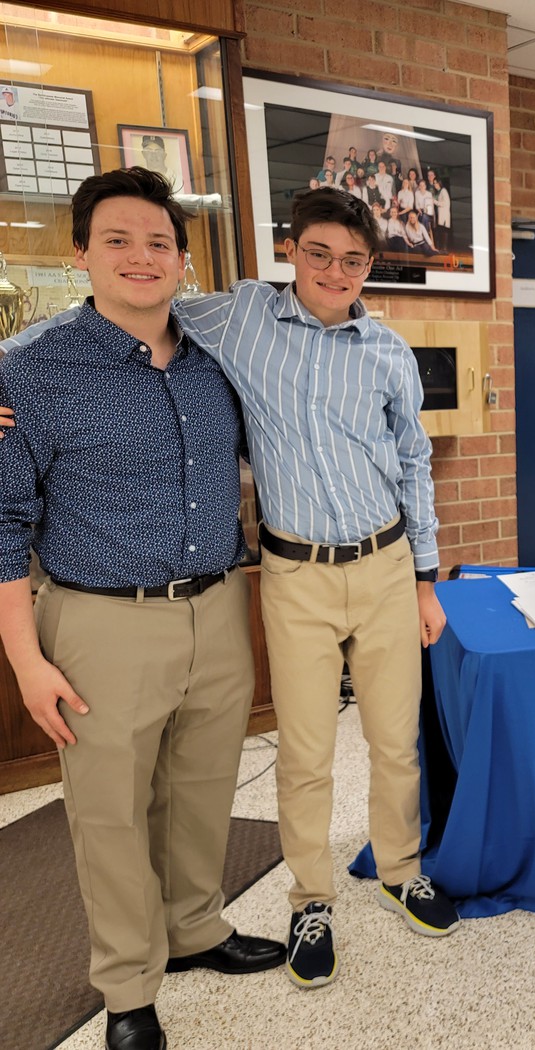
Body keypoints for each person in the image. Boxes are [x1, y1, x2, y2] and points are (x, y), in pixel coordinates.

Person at [8, 187, 458, 987]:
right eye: (318, 253)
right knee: (292, 754)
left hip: (330, 577)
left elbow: (413, 463)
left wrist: (426, 576)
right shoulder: (229, 323)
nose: (334, 271)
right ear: (292, 251)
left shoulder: (355, 351)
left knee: (363, 748)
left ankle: (376, 877)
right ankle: (278, 911)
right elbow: (10, 509)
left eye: (353, 259)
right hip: (255, 581)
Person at [0, 167, 285, 1050]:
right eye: (117, 239)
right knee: (109, 809)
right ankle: (127, 984)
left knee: (203, 788)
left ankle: (196, 928)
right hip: (98, 625)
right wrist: (25, 659)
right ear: (79, 252)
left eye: (159, 241)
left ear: (183, 259)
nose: (140, 256)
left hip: (216, 608)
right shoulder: (30, 374)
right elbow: (4, 523)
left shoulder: (215, 367)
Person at [429, 171, 451, 250]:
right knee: (441, 231)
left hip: (444, 214)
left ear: (440, 183)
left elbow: (445, 203)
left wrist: (434, 201)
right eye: (434, 183)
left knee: (444, 231)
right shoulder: (438, 192)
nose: (435, 184)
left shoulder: (443, 191)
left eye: (436, 182)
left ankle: (444, 249)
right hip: (439, 214)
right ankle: (442, 248)